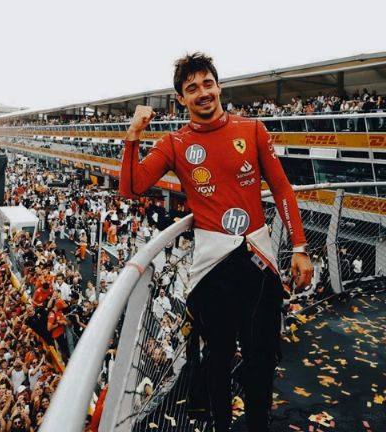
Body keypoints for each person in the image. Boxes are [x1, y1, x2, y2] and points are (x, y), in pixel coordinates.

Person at [119, 52, 313, 431]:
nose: (202, 92)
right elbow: (132, 187)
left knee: (262, 358)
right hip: (212, 269)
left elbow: (282, 188)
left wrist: (300, 247)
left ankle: (258, 422)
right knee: (217, 360)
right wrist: (134, 134)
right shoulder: (174, 142)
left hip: (260, 259)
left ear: (219, 86)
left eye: (207, 83)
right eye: (192, 88)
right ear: (181, 99)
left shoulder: (253, 129)